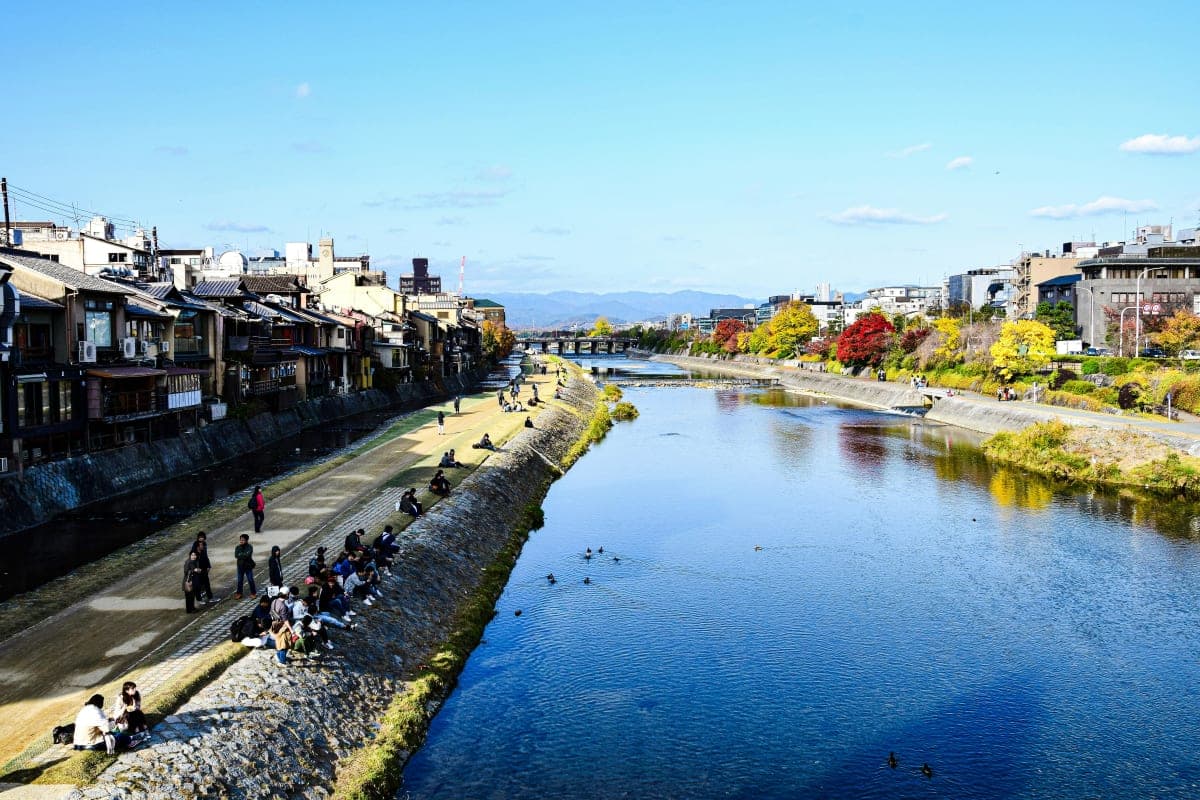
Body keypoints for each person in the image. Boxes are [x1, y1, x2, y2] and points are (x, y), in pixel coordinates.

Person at [234, 534, 257, 600]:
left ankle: (253, 593)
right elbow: (236, 555)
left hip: (248, 566)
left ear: (246, 540)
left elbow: (247, 555)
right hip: (240, 566)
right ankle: (239, 593)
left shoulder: (249, 547)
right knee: (239, 580)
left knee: (250, 580)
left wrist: (241, 555)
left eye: (243, 540)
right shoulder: (238, 547)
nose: (241, 541)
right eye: (240, 540)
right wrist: (243, 555)